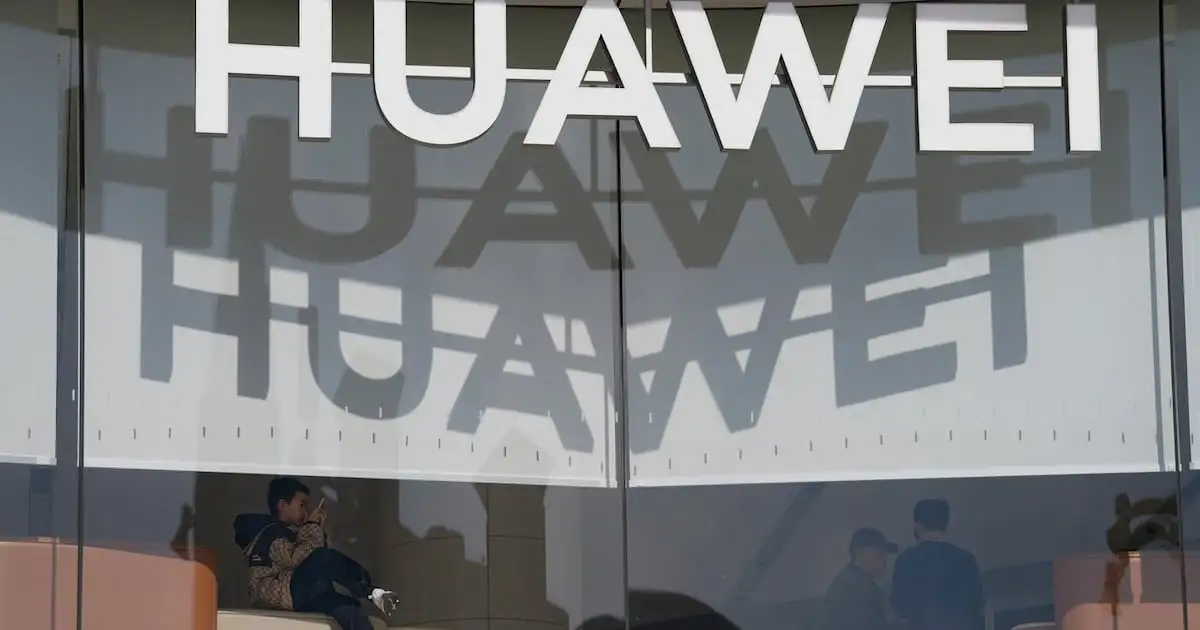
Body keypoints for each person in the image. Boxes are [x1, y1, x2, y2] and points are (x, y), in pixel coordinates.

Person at [233, 477, 399, 630]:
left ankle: (372, 596)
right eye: (302, 505)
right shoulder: (270, 533)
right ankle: (371, 592)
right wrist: (312, 526)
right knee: (323, 558)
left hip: (301, 592)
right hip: (280, 593)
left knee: (349, 607)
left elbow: (320, 560)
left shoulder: (296, 532)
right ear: (282, 505)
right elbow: (294, 559)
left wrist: (317, 529)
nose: (305, 511)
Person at [889, 499, 985, 630]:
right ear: (946, 525)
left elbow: (899, 606)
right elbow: (977, 603)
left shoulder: (906, 561)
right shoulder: (965, 559)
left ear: (918, 526)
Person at [822, 527, 898, 630]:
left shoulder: (846, 581)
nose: (885, 563)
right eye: (880, 555)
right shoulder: (862, 590)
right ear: (863, 555)